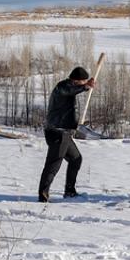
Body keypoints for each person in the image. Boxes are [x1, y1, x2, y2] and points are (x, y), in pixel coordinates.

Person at [38, 66, 95, 202]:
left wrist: (85, 86)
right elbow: (69, 90)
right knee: (53, 164)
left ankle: (70, 191)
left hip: (64, 133)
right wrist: (85, 87)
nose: (84, 84)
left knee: (76, 159)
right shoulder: (62, 87)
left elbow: (73, 92)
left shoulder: (70, 88)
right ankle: (43, 195)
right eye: (83, 81)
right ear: (77, 81)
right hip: (57, 132)